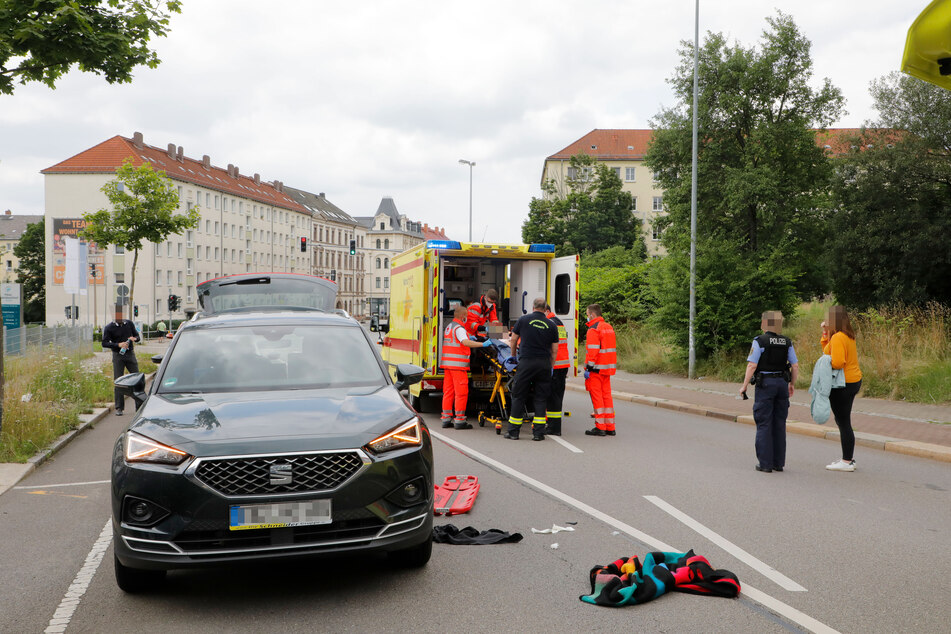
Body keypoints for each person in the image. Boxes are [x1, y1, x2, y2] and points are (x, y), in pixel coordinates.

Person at [739, 311, 799, 473]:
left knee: (764, 423)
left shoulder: (760, 341)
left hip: (765, 385)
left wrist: (744, 386)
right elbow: (794, 365)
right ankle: (778, 463)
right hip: (782, 384)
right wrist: (792, 384)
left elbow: (752, 365)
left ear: (765, 324)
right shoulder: (787, 342)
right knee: (779, 423)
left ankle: (765, 464)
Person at [503, 297, 558, 441]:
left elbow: (513, 340)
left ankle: (514, 432)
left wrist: (513, 357)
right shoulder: (552, 325)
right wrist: (550, 366)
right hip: (544, 364)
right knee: (540, 398)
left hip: (526, 362)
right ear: (545, 309)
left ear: (533, 307)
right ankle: (538, 433)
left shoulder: (523, 320)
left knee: (519, 395)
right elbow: (554, 350)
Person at [822, 305, 863, 472]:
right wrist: (826, 333)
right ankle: (848, 459)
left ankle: (846, 461)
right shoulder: (847, 335)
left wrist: (823, 365)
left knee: (843, 422)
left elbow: (837, 362)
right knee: (844, 421)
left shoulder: (838, 337)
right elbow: (827, 349)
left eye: (827, 319)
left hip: (842, 383)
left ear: (834, 320)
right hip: (854, 380)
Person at [439, 305, 491, 429]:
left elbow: (460, 339)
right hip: (458, 366)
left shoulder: (450, 327)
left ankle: (446, 419)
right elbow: (464, 342)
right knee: (461, 393)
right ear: (463, 316)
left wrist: (469, 336)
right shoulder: (459, 328)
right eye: (466, 316)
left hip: (448, 366)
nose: (467, 318)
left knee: (448, 392)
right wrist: (482, 344)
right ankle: (460, 421)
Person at [584, 304, 617, 436]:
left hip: (596, 369)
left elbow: (593, 350)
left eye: (587, 314)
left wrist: (589, 367)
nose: (587, 317)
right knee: (607, 397)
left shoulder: (593, 329)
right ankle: (610, 426)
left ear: (592, 314)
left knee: (597, 398)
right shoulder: (608, 327)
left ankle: (600, 427)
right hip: (607, 368)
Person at [102, 305, 141, 416]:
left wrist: (135, 339)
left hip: (130, 354)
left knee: (136, 378)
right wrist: (117, 345)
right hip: (118, 355)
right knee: (118, 380)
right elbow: (104, 343)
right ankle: (119, 408)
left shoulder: (129, 324)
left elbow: (137, 336)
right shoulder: (109, 327)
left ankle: (139, 406)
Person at [544, 303, 570, 436]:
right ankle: (553, 425)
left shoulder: (549, 323)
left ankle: (553, 428)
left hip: (556, 365)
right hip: (563, 365)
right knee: (558, 397)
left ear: (547, 311)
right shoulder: (558, 322)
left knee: (553, 397)